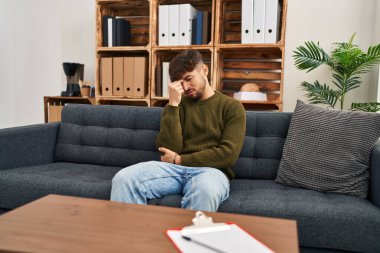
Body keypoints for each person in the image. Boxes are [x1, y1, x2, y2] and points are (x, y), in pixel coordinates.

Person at [111, 49, 246, 212]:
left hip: (211, 171)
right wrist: (173, 105)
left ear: (204, 70)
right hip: (174, 171)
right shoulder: (176, 105)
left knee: (205, 190)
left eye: (189, 79)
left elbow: (227, 154)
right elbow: (168, 149)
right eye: (179, 83)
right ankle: (128, 237)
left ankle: (188, 238)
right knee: (124, 179)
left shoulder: (232, 107)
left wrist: (179, 160)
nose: (185, 87)